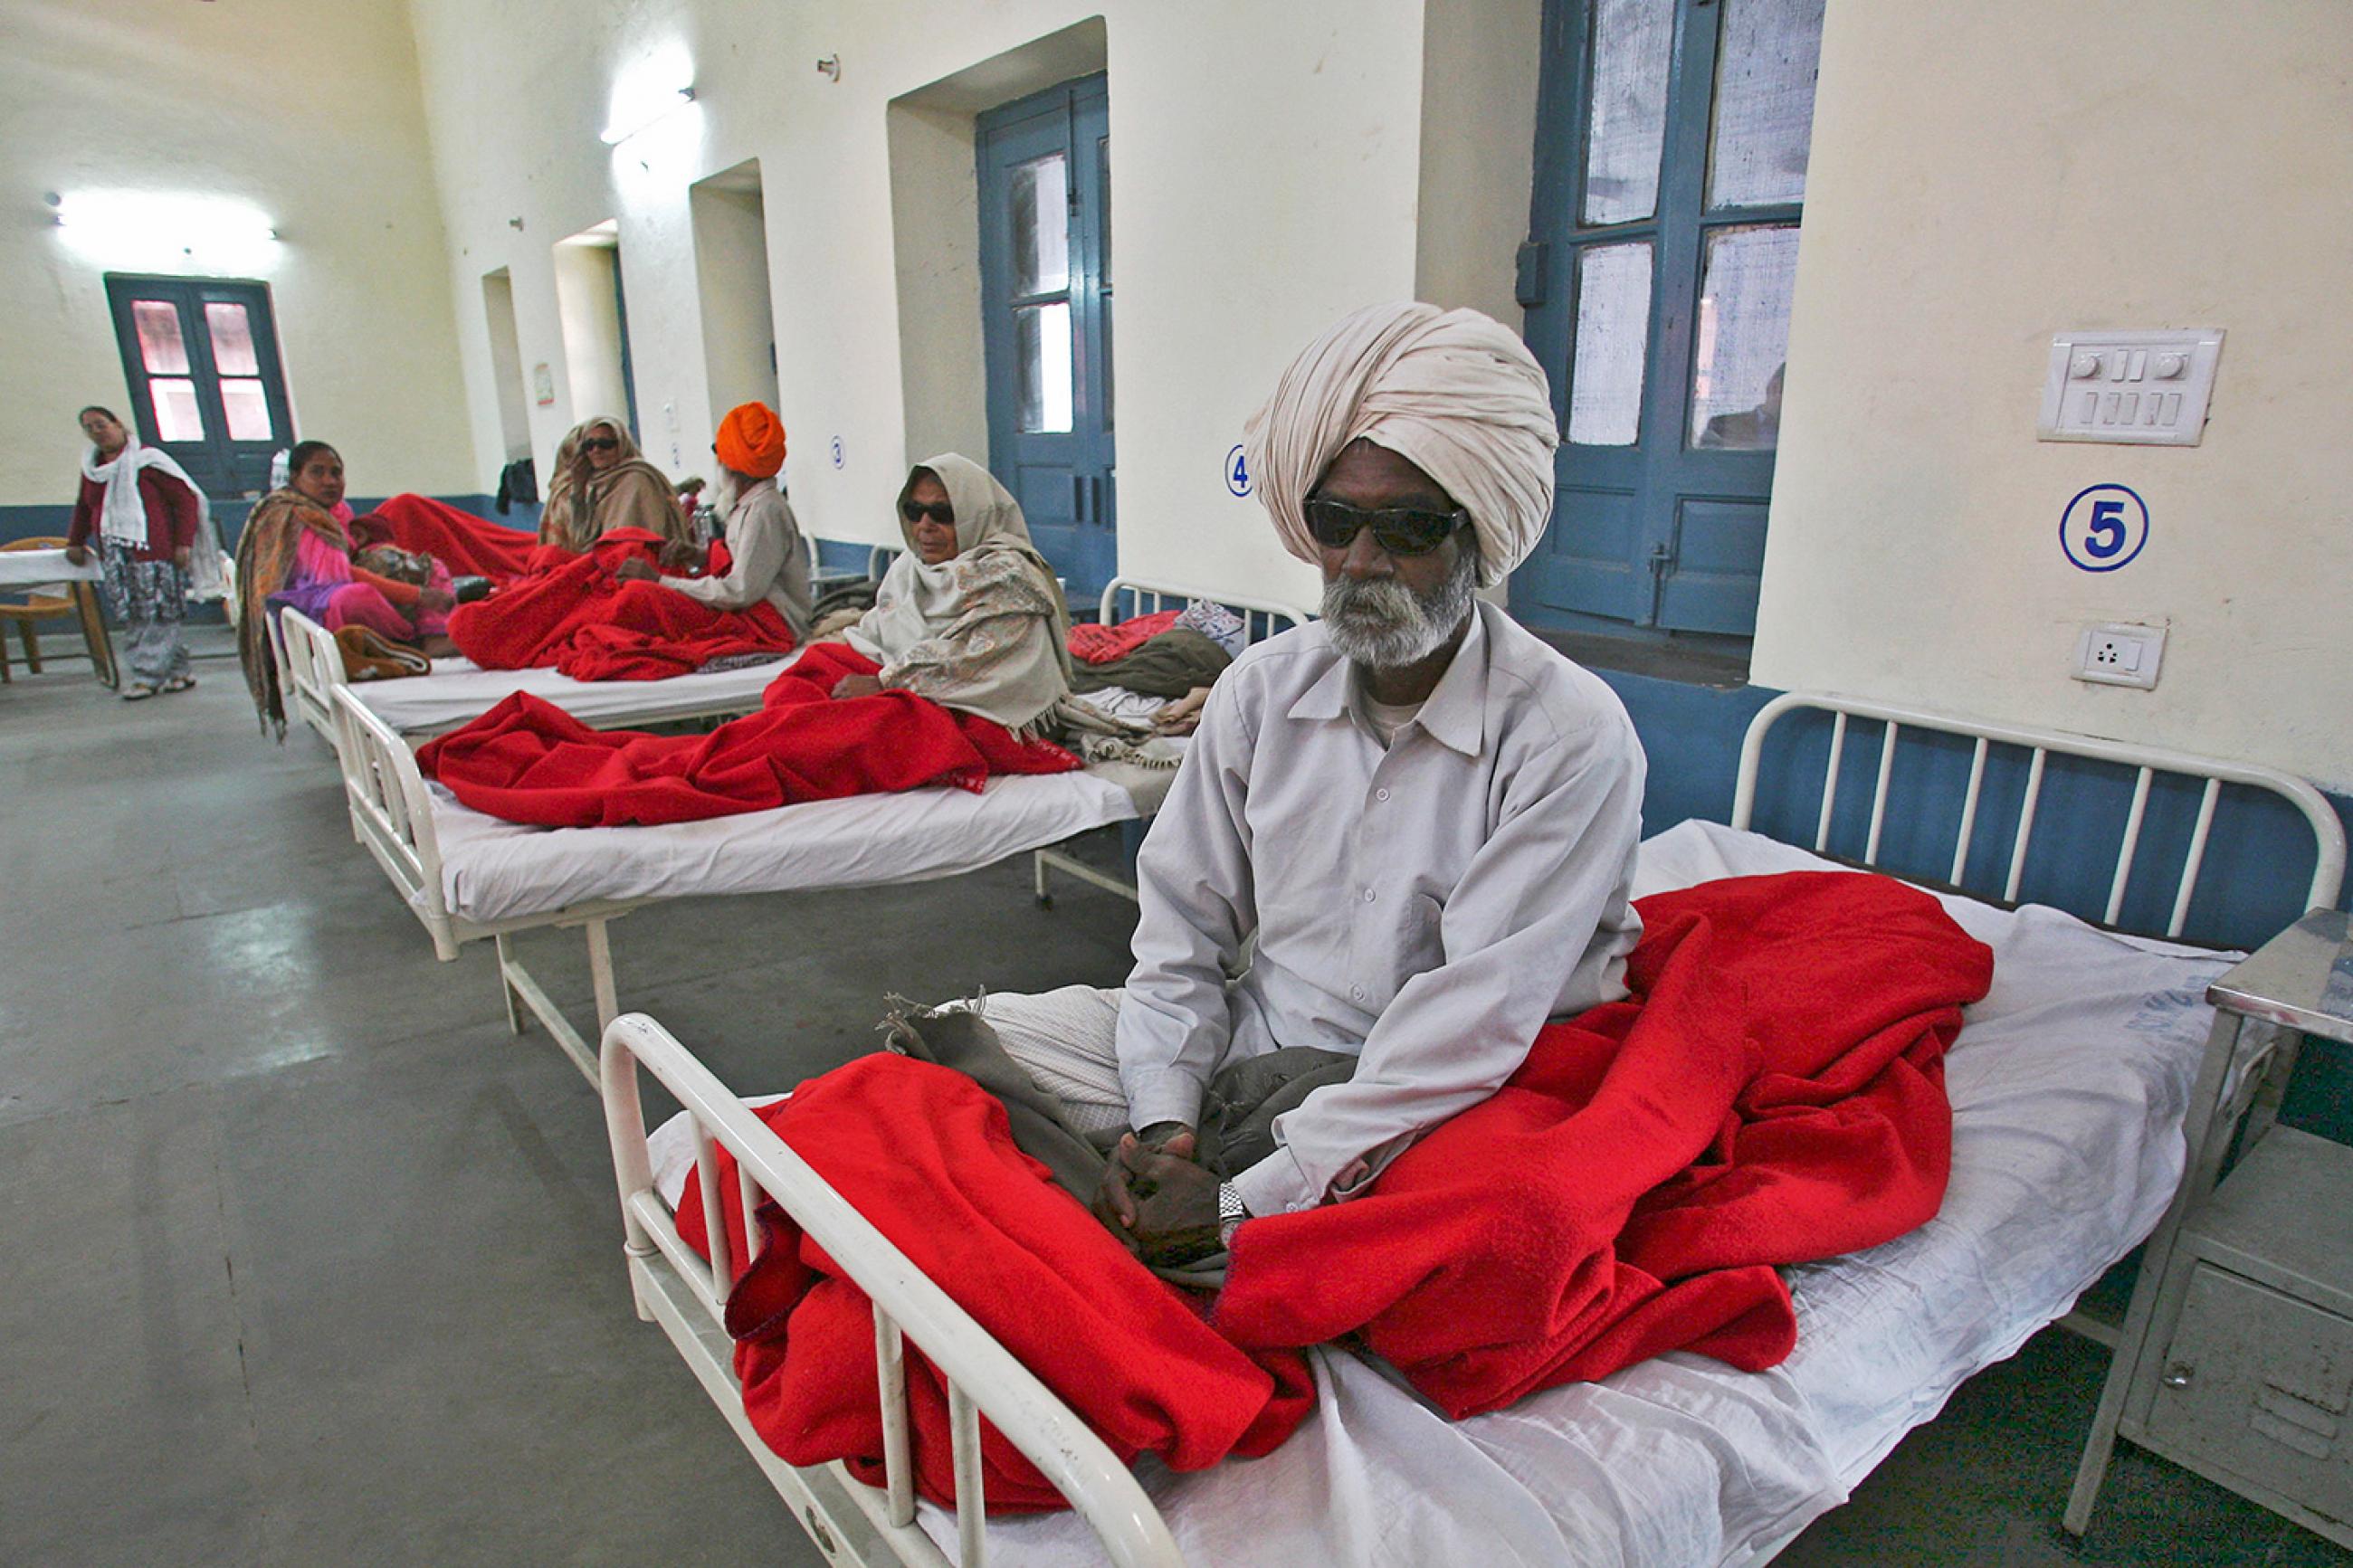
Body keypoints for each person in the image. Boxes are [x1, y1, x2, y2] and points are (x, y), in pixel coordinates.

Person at [975, 301, 1648, 1270]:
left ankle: (1218, 1231)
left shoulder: (1565, 737)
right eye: (1337, 522)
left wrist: (1247, 1199)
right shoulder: (1260, 690)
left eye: (1410, 527)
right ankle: (1171, 1186)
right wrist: (1166, 1118)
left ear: (1477, 539)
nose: (1364, 562)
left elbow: (1466, 1029)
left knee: (1494, 1229)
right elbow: (1181, 930)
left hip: (1449, 1092)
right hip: (1259, 1040)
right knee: (980, 1046)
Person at [817, 453, 1074, 731]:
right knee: (811, 673)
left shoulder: (1007, 577)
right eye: (915, 512)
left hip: (978, 711)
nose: (925, 526)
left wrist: (885, 682)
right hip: (904, 688)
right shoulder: (910, 566)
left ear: (974, 516)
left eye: (942, 514)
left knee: (835, 736)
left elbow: (976, 661)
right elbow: (877, 629)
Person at [233, 441, 456, 733]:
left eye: (336, 473)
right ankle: (410, 645)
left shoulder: (334, 513)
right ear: (296, 478)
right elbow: (338, 577)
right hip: (304, 605)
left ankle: (428, 636)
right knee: (355, 597)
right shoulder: (291, 515)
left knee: (428, 566)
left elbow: (345, 560)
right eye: (318, 472)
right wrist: (417, 595)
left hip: (322, 599)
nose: (329, 481)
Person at [614, 401, 812, 638]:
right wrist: (697, 555)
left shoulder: (764, 511)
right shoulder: (748, 506)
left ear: (727, 465)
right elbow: (744, 563)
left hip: (771, 622)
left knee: (641, 598)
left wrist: (659, 580)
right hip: (750, 608)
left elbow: (740, 591)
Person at [66, 405, 203, 698]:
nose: (96, 432)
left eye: (101, 424)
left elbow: (185, 501)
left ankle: (146, 676)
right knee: (136, 614)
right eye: (88, 428)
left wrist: (183, 543)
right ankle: (178, 671)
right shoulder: (93, 469)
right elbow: (83, 506)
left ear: (117, 423)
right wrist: (74, 541)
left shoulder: (148, 461)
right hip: (116, 554)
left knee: (159, 612)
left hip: (155, 551)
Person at [537, 416, 688, 552]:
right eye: (589, 445)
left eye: (605, 444)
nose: (596, 450)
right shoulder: (592, 484)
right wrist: (578, 488)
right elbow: (582, 538)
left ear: (621, 445)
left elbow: (629, 537)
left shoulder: (636, 479)